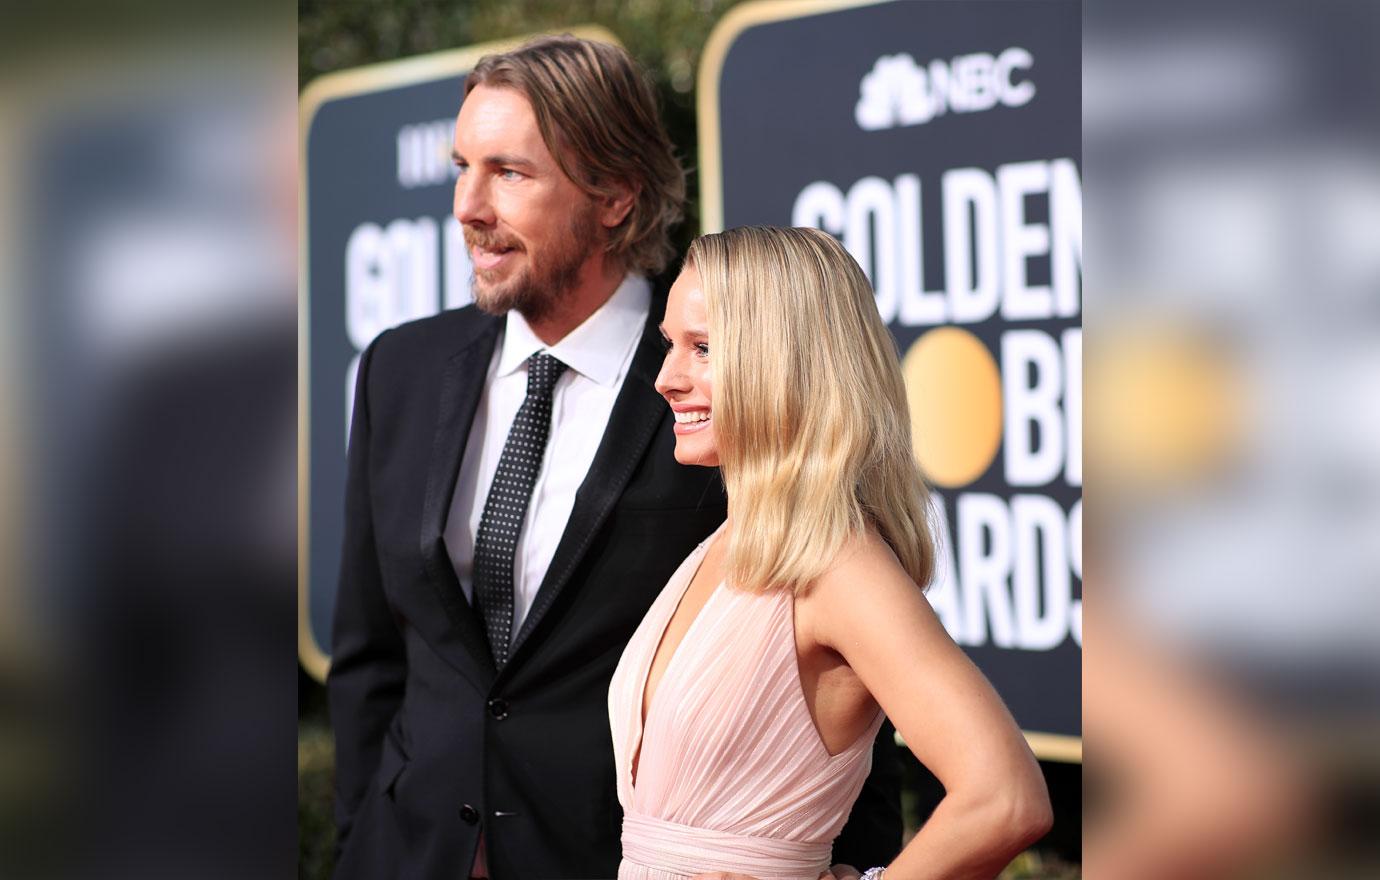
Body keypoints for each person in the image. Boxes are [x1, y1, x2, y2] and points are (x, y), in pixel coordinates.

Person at [328, 37, 900, 880]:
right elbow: (370, 652)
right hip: (405, 854)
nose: (467, 205)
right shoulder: (401, 368)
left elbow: (840, 685)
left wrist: (847, 863)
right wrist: (356, 842)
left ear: (615, 196)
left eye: (510, 173)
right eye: (461, 166)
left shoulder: (720, 388)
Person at [609, 226, 1053, 880]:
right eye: (670, 345)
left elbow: (1006, 799)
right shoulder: (724, 542)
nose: (667, 379)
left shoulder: (837, 563)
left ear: (785, 361)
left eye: (703, 349)